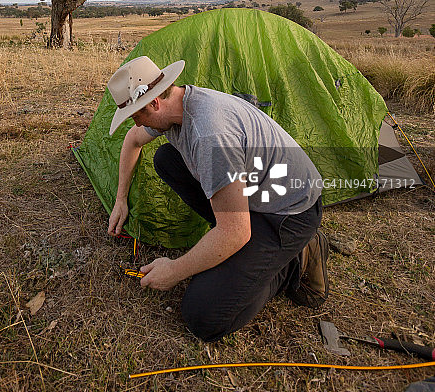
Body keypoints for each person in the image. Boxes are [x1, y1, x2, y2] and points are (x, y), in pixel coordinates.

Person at [107, 55, 329, 342]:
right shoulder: (176, 107)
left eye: (136, 114)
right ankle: (241, 240)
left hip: (290, 214)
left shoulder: (209, 135)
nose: (136, 123)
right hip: (254, 195)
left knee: (202, 316)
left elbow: (237, 232)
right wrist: (120, 199)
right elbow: (132, 141)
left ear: (154, 103)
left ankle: (293, 262)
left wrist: (173, 270)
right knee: (166, 159)